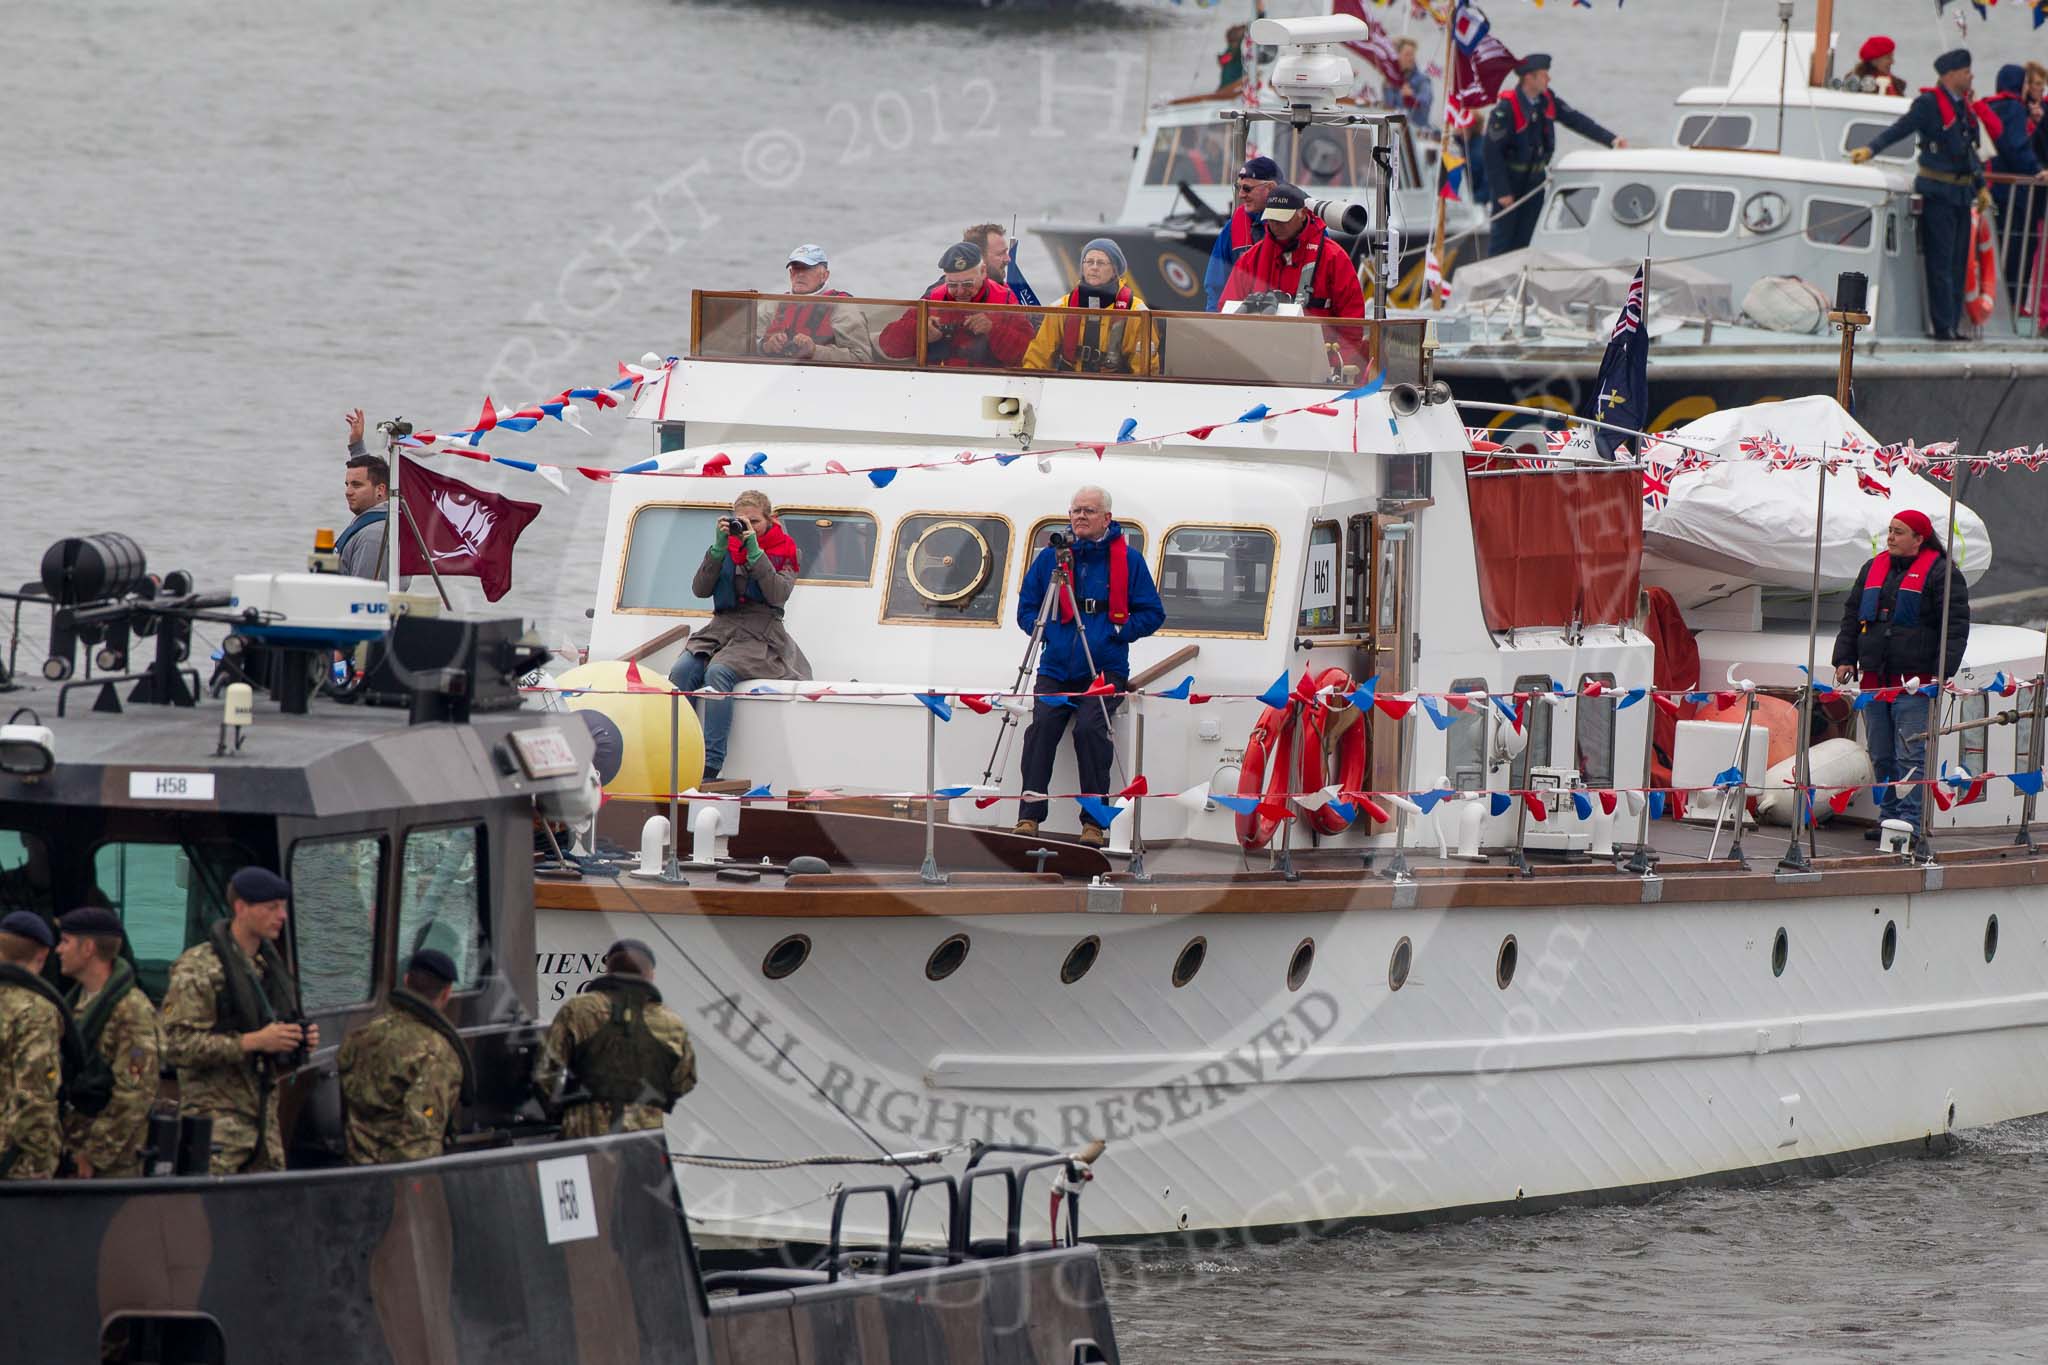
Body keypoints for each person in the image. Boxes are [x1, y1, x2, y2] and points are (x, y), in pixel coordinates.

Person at [1012, 487, 1165, 848]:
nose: (1080, 517)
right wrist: (1048, 628)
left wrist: (1119, 630)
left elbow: (1152, 613)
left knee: (1091, 731)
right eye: (1076, 510)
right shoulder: (1051, 559)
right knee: (1042, 728)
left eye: (1089, 511)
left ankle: (1094, 822)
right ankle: (1028, 816)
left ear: (1107, 518)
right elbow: (1026, 608)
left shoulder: (1129, 561)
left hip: (1104, 667)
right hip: (1056, 665)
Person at [160, 866, 317, 1174]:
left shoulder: (268, 969)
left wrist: (296, 1040)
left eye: (283, 907)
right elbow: (176, 1046)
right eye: (271, 907)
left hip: (263, 1124)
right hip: (216, 1128)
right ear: (241, 908)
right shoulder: (198, 969)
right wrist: (252, 1041)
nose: (282, 916)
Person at [1832, 509, 1971, 838]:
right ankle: (1889, 817)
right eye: (1890, 531)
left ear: (1919, 539)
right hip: (1874, 679)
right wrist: (1845, 658)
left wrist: (1942, 670)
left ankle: (1908, 821)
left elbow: (1955, 627)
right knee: (1880, 752)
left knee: (1911, 753)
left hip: (1915, 683)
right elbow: (1852, 616)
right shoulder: (1872, 568)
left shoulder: (1942, 573)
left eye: (1899, 532)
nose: (1891, 537)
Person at [666, 489, 813, 782]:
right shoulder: (725, 546)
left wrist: (756, 552)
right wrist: (717, 550)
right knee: (682, 671)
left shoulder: (787, 550)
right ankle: (678, 752)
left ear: (770, 520)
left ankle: (710, 762)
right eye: (740, 521)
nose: (746, 527)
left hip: (761, 631)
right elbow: (700, 590)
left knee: (719, 672)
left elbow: (777, 593)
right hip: (721, 626)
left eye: (754, 522)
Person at [1850, 50, 1987, 341]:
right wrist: (1871, 149)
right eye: (1965, 71)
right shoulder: (1928, 105)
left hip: (1961, 194)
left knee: (1958, 263)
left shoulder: (1962, 107)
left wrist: (1982, 185)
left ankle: (1952, 323)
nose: (1970, 76)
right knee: (1940, 262)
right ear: (1949, 75)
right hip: (1938, 192)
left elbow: (1968, 151)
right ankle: (1943, 327)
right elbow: (1901, 129)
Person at [531, 938, 695, 1138]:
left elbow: (546, 1070)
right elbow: (685, 1079)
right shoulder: (671, 1023)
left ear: (609, 970)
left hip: (584, 1132)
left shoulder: (579, 1009)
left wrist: (562, 1109)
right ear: (650, 975)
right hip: (644, 1137)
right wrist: (653, 1100)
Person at [336, 949, 473, 1166]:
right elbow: (421, 1138)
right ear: (447, 993)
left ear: (406, 980)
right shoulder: (437, 1054)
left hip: (353, 1170)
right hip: (396, 1182)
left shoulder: (359, 1037)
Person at [1481, 54, 1627, 257]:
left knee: (1527, 239)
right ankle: (1493, 286)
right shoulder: (1506, 109)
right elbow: (1491, 151)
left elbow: (1576, 120)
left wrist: (1611, 140)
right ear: (1529, 78)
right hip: (1511, 182)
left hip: (1535, 181)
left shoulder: (1546, 100)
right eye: (1543, 75)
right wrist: (1502, 191)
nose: (1548, 80)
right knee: (1502, 240)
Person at [1218, 183, 1372, 373]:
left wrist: (1337, 368)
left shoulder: (1333, 258)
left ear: (1302, 213)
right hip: (1258, 367)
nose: (1275, 225)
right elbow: (1226, 313)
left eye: (1282, 219)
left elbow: (1352, 325)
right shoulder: (1251, 259)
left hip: (1321, 370)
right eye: (1271, 219)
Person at [55, 906, 159, 1178]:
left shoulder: (132, 1011)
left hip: (109, 1167)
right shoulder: (73, 1005)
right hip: (68, 1148)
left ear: (88, 948)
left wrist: (94, 1155)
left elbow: (136, 1093)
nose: (58, 950)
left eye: (65, 941)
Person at [877, 243, 1034, 369]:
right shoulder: (932, 299)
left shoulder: (1004, 300)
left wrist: (993, 330)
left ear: (983, 272)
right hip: (937, 381)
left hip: (989, 382)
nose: (960, 291)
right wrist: (919, 331)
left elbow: (1028, 355)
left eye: (967, 284)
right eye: (952, 285)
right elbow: (888, 346)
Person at [0, 910, 65, 1180]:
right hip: (17, 1165)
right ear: (42, 955)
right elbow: (35, 1098)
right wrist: (38, 1163)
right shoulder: (36, 1012)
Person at [1023, 239, 1152, 374]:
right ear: (1083, 267)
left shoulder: (1137, 311)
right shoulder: (1062, 307)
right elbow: (1038, 356)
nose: (1094, 267)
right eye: (1089, 262)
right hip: (1070, 383)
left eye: (1101, 263)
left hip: (1115, 387)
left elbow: (1144, 367)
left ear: (1115, 271)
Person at [1981, 64, 2048, 308]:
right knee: (2018, 252)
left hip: (1991, 189)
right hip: (2014, 196)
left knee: (1997, 249)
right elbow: (2016, 146)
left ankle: (1994, 302)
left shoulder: (1990, 104)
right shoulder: (2013, 107)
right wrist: (2037, 170)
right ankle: (2012, 305)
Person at [758, 244, 874, 363]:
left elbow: (862, 358)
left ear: (824, 276)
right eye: (796, 269)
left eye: (808, 268)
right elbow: (743, 345)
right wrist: (766, 347)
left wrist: (815, 351)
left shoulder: (844, 308)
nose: (800, 274)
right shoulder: (773, 306)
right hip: (776, 374)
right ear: (791, 273)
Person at [1204, 155, 1280, 311]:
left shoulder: (1299, 226)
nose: (1241, 195)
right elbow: (1215, 285)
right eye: (1239, 188)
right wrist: (1213, 322)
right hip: (1240, 321)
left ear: (1270, 188)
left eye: (1247, 188)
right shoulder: (1232, 227)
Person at [339, 412, 391, 580]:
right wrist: (356, 445)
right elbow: (367, 474)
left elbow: (363, 597)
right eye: (347, 484)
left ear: (380, 490)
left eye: (356, 485)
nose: (348, 492)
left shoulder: (373, 537)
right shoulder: (379, 517)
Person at [1381, 37, 1433, 127]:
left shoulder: (1423, 80)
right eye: (1407, 54)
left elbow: (1426, 101)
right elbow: (1387, 107)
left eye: (1412, 54)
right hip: (1393, 130)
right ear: (1398, 56)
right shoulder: (1389, 81)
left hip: (1416, 132)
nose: (1411, 58)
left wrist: (1411, 97)